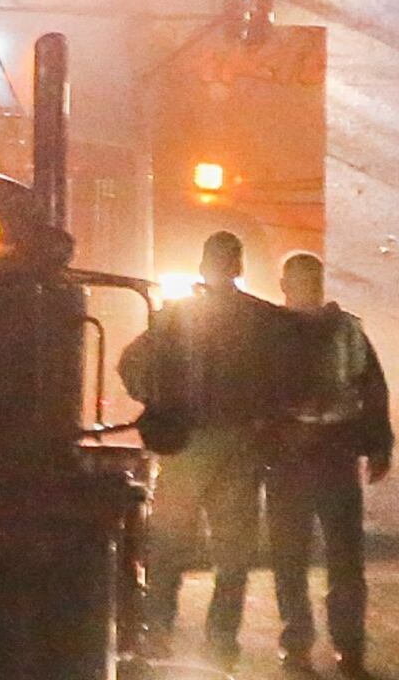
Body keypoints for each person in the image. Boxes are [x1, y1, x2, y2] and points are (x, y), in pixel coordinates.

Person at [125, 229, 301, 660]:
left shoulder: (175, 316)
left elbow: (130, 365)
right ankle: (222, 639)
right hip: (242, 446)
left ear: (203, 266)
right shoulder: (266, 320)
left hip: (184, 446)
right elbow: (290, 381)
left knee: (168, 545)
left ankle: (159, 629)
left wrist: (158, 403)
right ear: (239, 267)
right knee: (233, 553)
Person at [273, 250, 390, 676]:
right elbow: (372, 389)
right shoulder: (344, 330)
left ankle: (315, 648)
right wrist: (379, 444)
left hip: (306, 456)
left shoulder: (278, 330)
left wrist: (379, 444)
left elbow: (372, 388)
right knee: (325, 560)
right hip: (318, 454)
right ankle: (334, 649)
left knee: (312, 559)